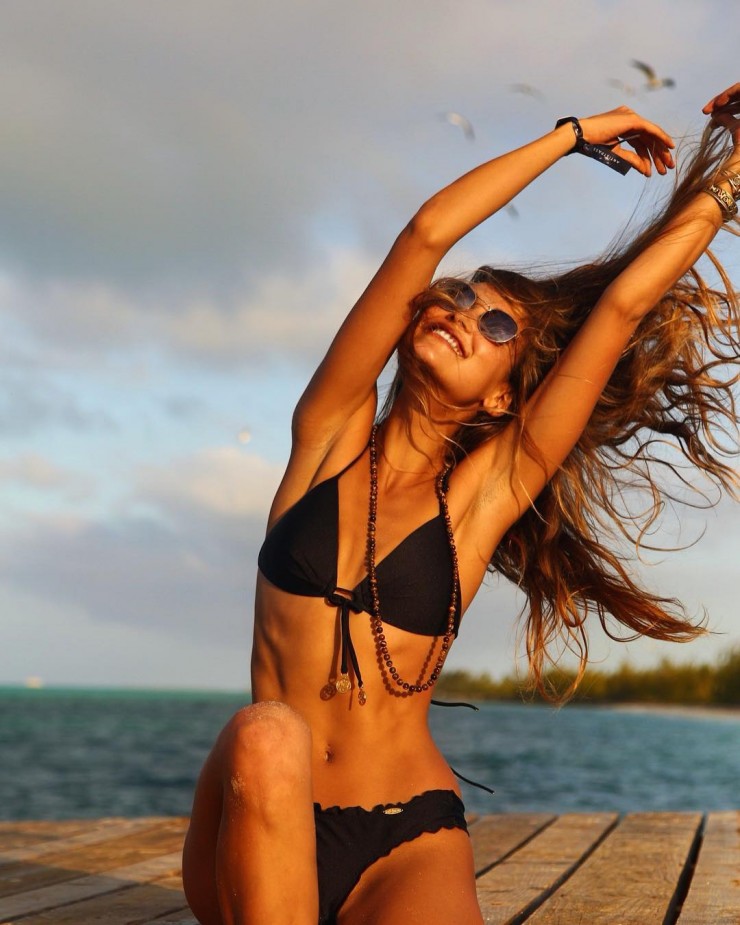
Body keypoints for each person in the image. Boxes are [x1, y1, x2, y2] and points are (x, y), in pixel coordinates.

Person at [181, 84, 740, 925]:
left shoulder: (484, 500)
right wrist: (573, 136)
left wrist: (733, 178)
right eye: (460, 298)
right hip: (262, 811)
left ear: (503, 397)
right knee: (267, 733)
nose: (466, 314)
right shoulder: (328, 435)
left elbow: (624, 305)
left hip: (403, 834)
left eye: (499, 326)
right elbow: (426, 234)